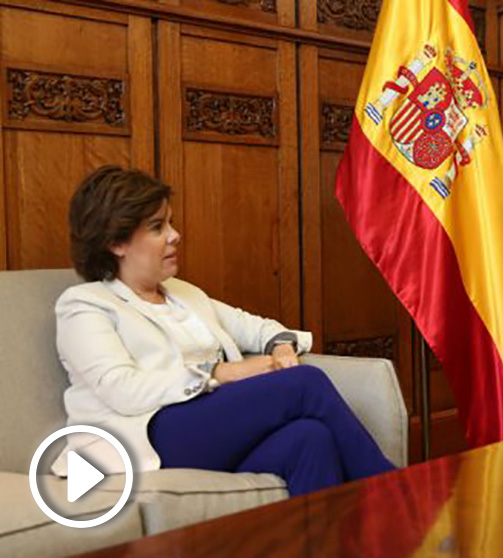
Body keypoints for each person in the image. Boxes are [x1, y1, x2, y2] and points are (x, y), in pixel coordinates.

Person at [51, 166, 394, 496]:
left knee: (309, 437)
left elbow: (261, 329)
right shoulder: (84, 305)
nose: (174, 235)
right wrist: (222, 372)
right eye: (157, 227)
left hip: (209, 431)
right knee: (307, 383)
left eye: (170, 222)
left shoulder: (184, 294)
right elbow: (122, 391)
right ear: (116, 242)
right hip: (143, 437)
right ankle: (399, 495)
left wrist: (281, 350)